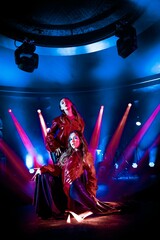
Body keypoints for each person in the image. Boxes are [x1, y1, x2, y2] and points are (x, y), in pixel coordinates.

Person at [33, 98, 86, 219]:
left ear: (71, 104)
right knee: (61, 175)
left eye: (66, 101)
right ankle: (61, 206)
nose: (64, 103)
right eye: (62, 103)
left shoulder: (80, 121)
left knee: (75, 174)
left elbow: (80, 137)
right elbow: (50, 135)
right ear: (61, 108)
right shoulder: (58, 120)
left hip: (73, 150)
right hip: (60, 151)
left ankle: (75, 203)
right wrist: (55, 146)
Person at [57, 130, 122, 222]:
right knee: (93, 205)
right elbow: (57, 168)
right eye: (71, 139)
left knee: (95, 206)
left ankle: (106, 208)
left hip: (76, 185)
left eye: (75, 138)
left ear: (80, 140)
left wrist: (92, 193)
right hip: (67, 187)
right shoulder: (66, 155)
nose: (73, 140)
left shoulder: (85, 155)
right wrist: (42, 169)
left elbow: (92, 175)